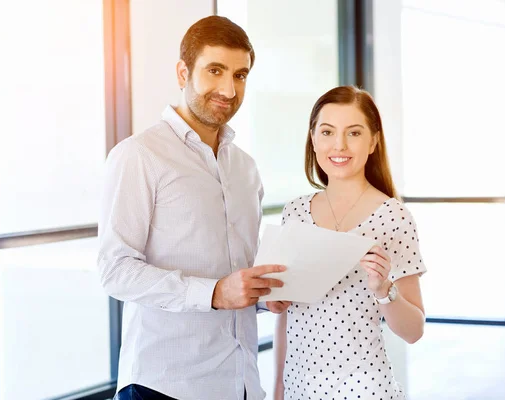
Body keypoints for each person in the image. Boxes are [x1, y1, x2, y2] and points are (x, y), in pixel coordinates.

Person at [98, 16, 290, 400]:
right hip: (164, 384)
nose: (228, 89)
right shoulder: (139, 155)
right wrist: (214, 293)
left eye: (240, 75)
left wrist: (262, 298)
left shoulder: (245, 169)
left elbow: (236, 275)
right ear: (183, 72)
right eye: (215, 70)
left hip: (239, 382)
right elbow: (114, 271)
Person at [273, 86, 427, 400]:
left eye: (354, 133)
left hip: (364, 390)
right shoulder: (295, 212)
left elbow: (414, 331)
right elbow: (285, 314)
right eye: (327, 131)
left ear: (373, 141)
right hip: (299, 389)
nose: (339, 145)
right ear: (313, 138)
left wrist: (384, 289)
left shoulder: (394, 217)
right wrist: (278, 388)